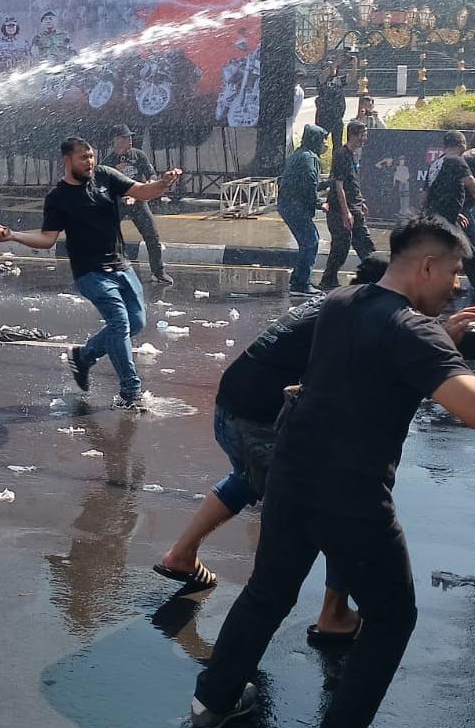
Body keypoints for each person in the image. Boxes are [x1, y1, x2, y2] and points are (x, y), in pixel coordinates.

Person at [189, 217, 475, 728]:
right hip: (352, 494)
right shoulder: (412, 330)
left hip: (291, 474)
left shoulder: (343, 302)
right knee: (392, 618)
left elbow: (391, 358)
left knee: (268, 592)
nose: (458, 285)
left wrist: (474, 344)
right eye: (454, 272)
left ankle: (212, 701)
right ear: (427, 266)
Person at [154, 255, 390, 621]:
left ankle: (181, 555)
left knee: (248, 479)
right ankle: (332, 614)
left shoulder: (333, 302)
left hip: (231, 410)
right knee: (339, 502)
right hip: (254, 423)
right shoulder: (359, 318)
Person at [0, 137, 182, 407]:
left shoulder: (105, 175)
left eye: (91, 156)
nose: (90, 162)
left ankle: (83, 357)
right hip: (90, 272)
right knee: (119, 323)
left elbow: (141, 191)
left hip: (121, 265)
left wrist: (163, 183)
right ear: (67, 161)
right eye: (83, 157)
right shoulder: (58, 198)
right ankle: (131, 392)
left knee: (136, 323)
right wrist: (12, 235)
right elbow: (47, 239)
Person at [425, 130, 475, 300]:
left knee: (455, 253)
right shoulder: (457, 161)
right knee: (469, 254)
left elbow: (426, 195)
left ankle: (442, 287)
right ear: (462, 144)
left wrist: (450, 211)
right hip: (446, 220)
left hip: (437, 217)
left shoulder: (435, 164)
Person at [104, 125, 173, 284]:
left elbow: (151, 173)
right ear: (116, 140)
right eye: (125, 138)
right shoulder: (109, 161)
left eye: (130, 137)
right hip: (119, 203)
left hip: (138, 201)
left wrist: (150, 182)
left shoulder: (138, 155)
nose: (130, 140)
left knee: (152, 235)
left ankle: (158, 272)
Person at [318, 122, 376, 290]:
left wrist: (361, 200)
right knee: (342, 246)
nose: (364, 139)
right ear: (353, 135)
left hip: (355, 207)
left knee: (364, 244)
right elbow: (339, 185)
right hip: (342, 210)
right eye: (362, 135)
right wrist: (346, 213)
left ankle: (375, 276)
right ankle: (328, 279)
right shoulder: (341, 155)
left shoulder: (353, 155)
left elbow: (353, 182)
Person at [278, 124, 327, 297]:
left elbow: (303, 182)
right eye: (323, 140)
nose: (325, 145)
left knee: (306, 242)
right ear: (315, 140)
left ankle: (298, 279)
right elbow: (309, 184)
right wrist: (320, 203)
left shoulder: (299, 154)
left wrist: (328, 183)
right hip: (295, 206)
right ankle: (301, 284)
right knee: (311, 241)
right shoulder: (310, 158)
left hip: (288, 205)